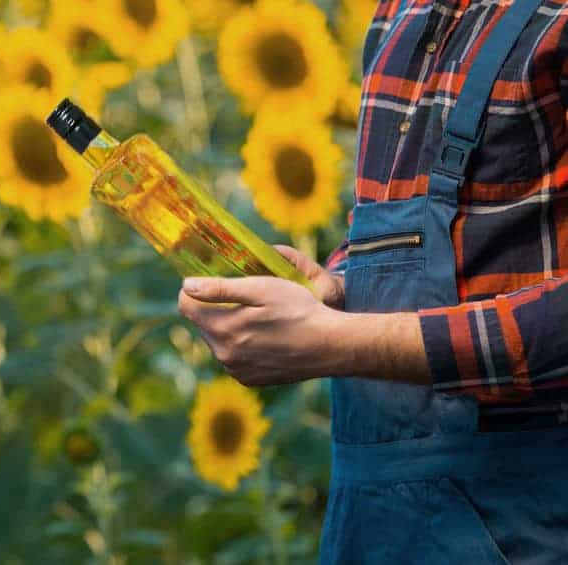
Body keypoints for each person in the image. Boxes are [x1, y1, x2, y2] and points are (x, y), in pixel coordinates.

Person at [178, 1, 568, 563]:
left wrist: (338, 342)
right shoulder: (397, 14)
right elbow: (430, 235)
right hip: (372, 528)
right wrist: (336, 287)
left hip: (530, 526)